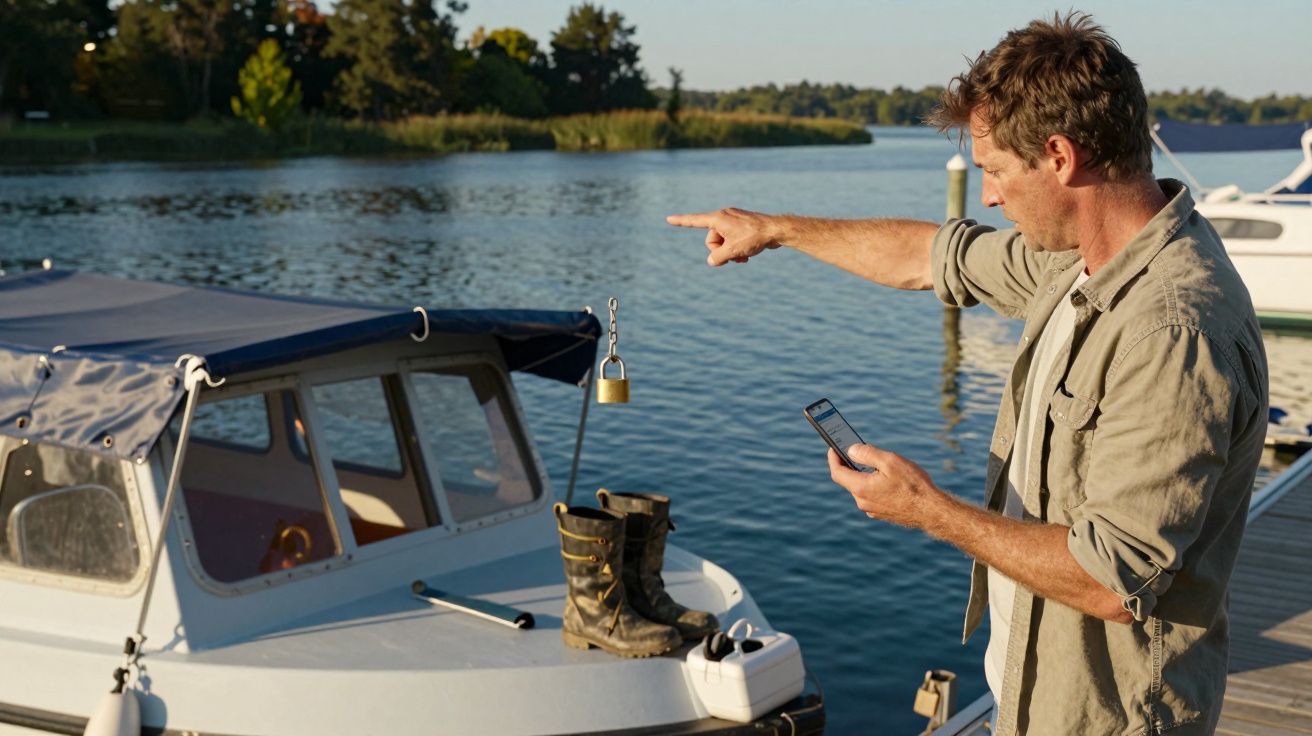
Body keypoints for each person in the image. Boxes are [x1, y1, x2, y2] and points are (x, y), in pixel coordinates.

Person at [667, 13, 1267, 736]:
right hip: (1031, 701)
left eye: (996, 170)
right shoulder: (1077, 263)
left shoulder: (1171, 329)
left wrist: (926, 508)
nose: (987, 196)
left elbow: (1111, 577)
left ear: (1059, 156)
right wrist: (776, 230)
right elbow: (930, 257)